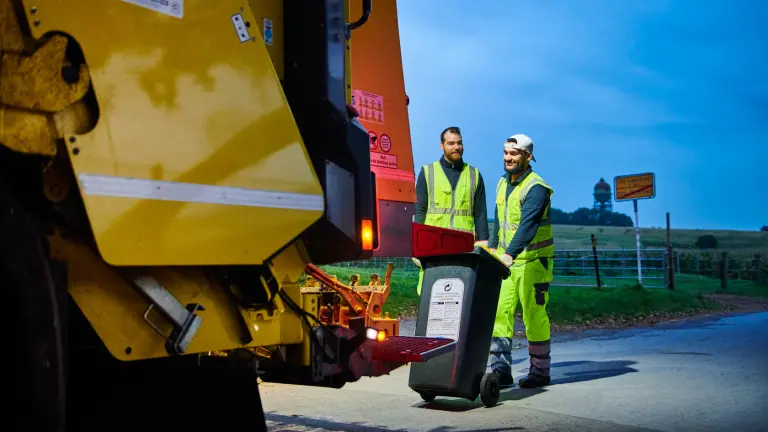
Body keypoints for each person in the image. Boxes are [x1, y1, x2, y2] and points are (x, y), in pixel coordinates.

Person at [486, 133, 555, 389]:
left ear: (527, 157)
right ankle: (500, 370)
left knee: (533, 316)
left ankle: (540, 372)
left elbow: (527, 226)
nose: (508, 158)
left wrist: (508, 254)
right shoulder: (502, 183)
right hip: (506, 263)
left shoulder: (537, 188)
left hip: (533, 262)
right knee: (499, 313)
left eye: (514, 154)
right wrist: (493, 250)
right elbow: (498, 220)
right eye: (505, 153)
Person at [412, 126, 489, 295]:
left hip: (464, 248)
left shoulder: (474, 174)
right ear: (442, 146)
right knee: (431, 294)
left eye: (459, 143)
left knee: (461, 295)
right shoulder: (427, 172)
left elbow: (481, 213)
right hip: (434, 247)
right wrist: (416, 245)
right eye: (451, 143)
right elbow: (420, 209)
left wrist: (484, 244)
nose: (456, 147)